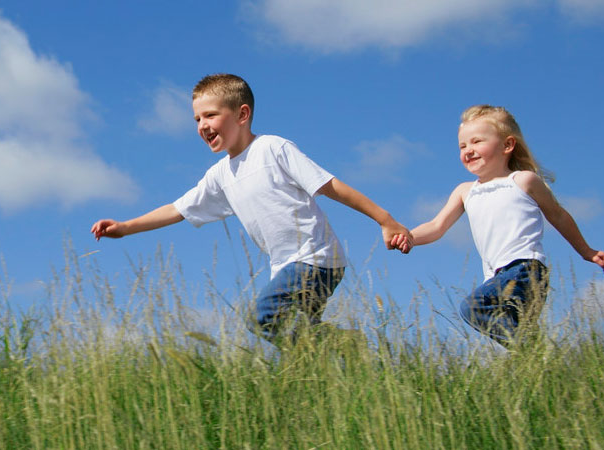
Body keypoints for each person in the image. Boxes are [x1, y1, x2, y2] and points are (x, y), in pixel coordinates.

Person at [91, 73, 411, 344]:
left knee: (263, 317)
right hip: (286, 268)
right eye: (197, 119)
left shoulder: (272, 149)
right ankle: (345, 349)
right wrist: (125, 227)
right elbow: (178, 209)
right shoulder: (220, 175)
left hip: (316, 259)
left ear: (242, 115)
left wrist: (386, 220)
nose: (203, 125)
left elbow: (331, 186)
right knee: (299, 342)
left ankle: (343, 345)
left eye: (211, 115)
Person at [393, 105, 604, 346]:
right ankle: (543, 363)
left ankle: (535, 352)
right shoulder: (465, 191)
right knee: (517, 335)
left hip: (525, 270)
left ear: (507, 145)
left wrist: (587, 251)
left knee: (474, 307)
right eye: (463, 146)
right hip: (496, 278)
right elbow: (437, 225)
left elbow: (558, 216)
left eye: (477, 142)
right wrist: (408, 236)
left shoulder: (522, 181)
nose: (469, 150)